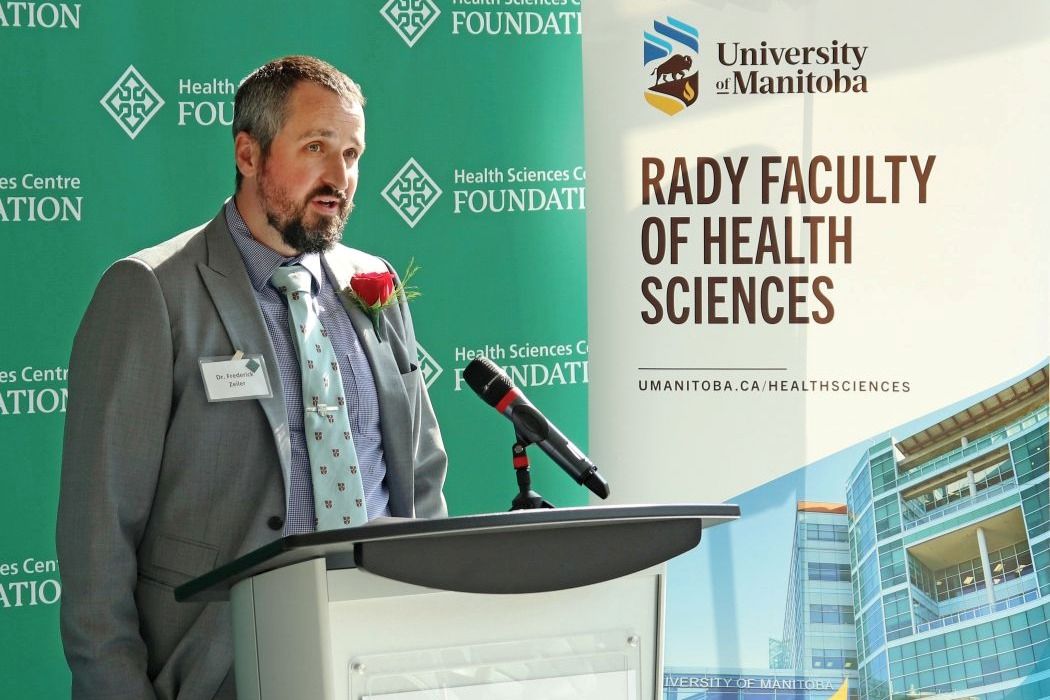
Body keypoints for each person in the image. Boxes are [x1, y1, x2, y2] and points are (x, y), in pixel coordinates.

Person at [56, 55, 447, 699]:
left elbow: (420, 477)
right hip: (221, 666)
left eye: (351, 153)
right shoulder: (151, 291)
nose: (339, 176)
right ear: (247, 152)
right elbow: (98, 535)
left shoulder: (373, 282)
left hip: (377, 661)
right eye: (316, 147)